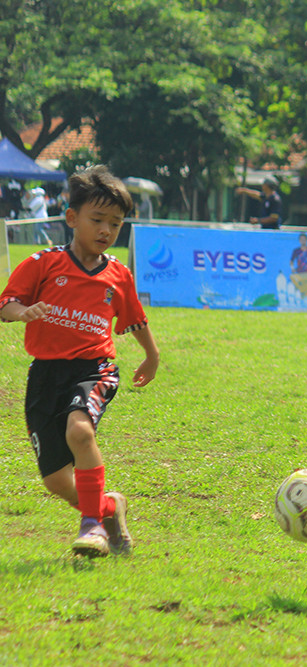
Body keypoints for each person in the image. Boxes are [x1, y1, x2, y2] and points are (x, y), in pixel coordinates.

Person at [0, 165, 160, 558]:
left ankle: (91, 527)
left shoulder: (118, 275)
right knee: (55, 481)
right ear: (72, 218)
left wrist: (151, 354)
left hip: (95, 369)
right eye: (98, 220)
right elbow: (6, 303)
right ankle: (107, 507)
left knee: (80, 432)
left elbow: (134, 318)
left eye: (116, 223)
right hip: (46, 374)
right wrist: (20, 312)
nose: (106, 230)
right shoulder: (43, 263)